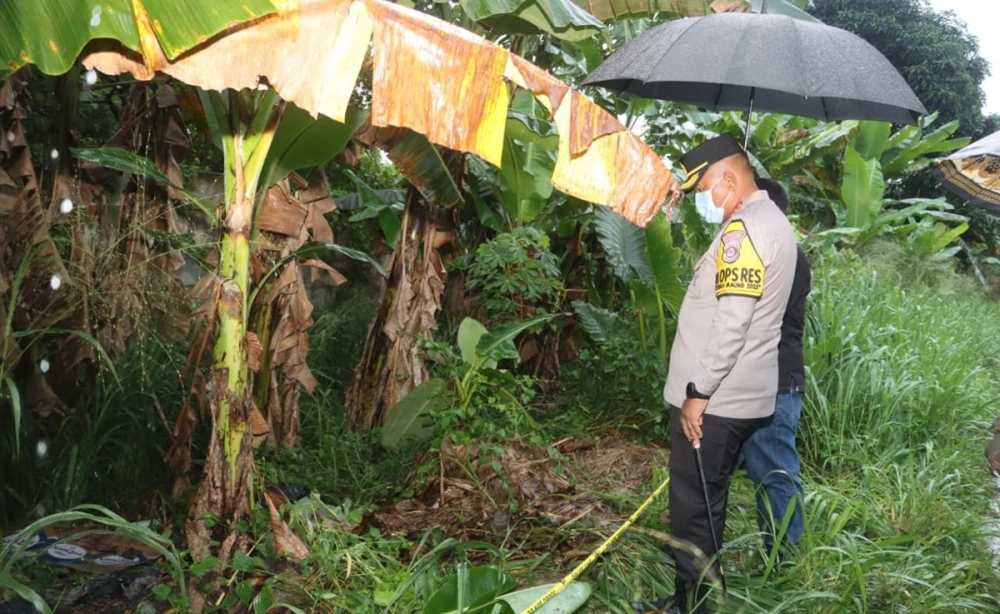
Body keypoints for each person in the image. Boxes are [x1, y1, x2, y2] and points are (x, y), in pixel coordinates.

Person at [636, 135, 797, 614]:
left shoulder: (743, 231)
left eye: (704, 187)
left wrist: (698, 393)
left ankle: (698, 606)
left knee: (692, 510)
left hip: (716, 402)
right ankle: (693, 596)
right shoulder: (773, 221)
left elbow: (734, 321)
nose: (702, 199)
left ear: (729, 179)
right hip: (743, 396)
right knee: (709, 503)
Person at [731, 177, 811, 554]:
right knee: (715, 469)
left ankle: (785, 564)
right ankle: (696, 562)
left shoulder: (784, 256)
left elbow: (749, 316)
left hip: (774, 383)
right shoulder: (769, 250)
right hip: (752, 381)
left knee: (776, 473)